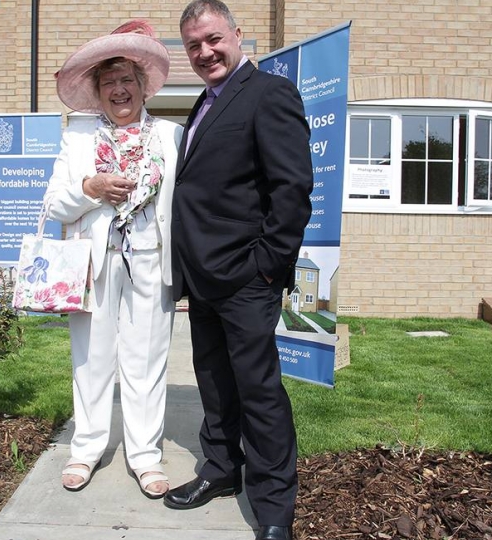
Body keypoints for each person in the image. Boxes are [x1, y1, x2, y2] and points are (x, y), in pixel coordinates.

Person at [163, 2, 313, 539]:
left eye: (212, 39)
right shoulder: (203, 104)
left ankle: (275, 510)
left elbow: (291, 190)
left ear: (237, 35)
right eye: (193, 46)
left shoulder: (269, 94)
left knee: (259, 392)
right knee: (214, 383)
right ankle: (222, 470)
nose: (204, 52)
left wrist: (267, 268)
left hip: (247, 280)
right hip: (202, 280)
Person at [44, 20, 183, 500]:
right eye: (109, 83)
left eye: (127, 80)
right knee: (93, 358)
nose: (119, 90)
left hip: (151, 260)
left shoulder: (172, 136)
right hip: (94, 262)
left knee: (146, 361)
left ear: (143, 86)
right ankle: (85, 448)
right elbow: (54, 205)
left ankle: (144, 456)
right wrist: (90, 188)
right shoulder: (78, 140)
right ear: (98, 93)